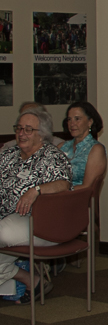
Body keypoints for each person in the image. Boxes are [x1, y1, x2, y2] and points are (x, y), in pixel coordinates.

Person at [0, 109, 73, 303]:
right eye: (19, 128)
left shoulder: (51, 156)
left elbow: (63, 184)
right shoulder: (9, 155)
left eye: (28, 129)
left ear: (41, 134)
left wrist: (36, 190)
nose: (21, 133)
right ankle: (33, 281)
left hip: (39, 224)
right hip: (8, 220)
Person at [59, 101, 107, 188]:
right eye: (69, 119)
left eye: (77, 119)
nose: (72, 124)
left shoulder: (95, 149)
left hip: (78, 198)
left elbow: (88, 187)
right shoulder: (61, 146)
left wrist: (59, 193)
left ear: (90, 122)